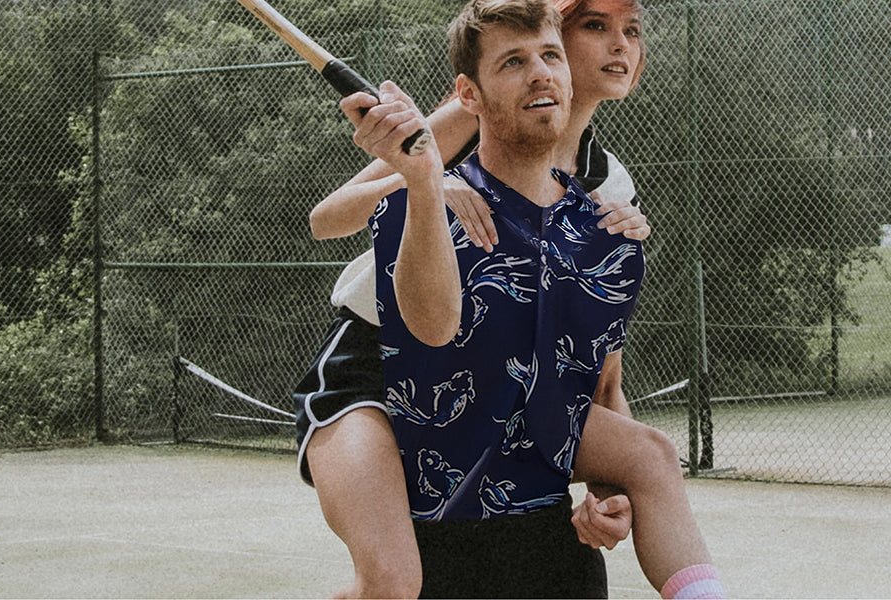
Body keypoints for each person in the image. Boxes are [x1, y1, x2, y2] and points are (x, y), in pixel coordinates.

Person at [294, 0, 723, 598]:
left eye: (631, 30)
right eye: (594, 27)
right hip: (379, 363)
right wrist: (427, 180)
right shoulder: (473, 123)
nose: (619, 45)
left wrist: (606, 488)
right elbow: (326, 218)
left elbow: (596, 368)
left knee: (647, 457)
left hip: (501, 380)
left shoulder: (608, 189)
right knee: (391, 582)